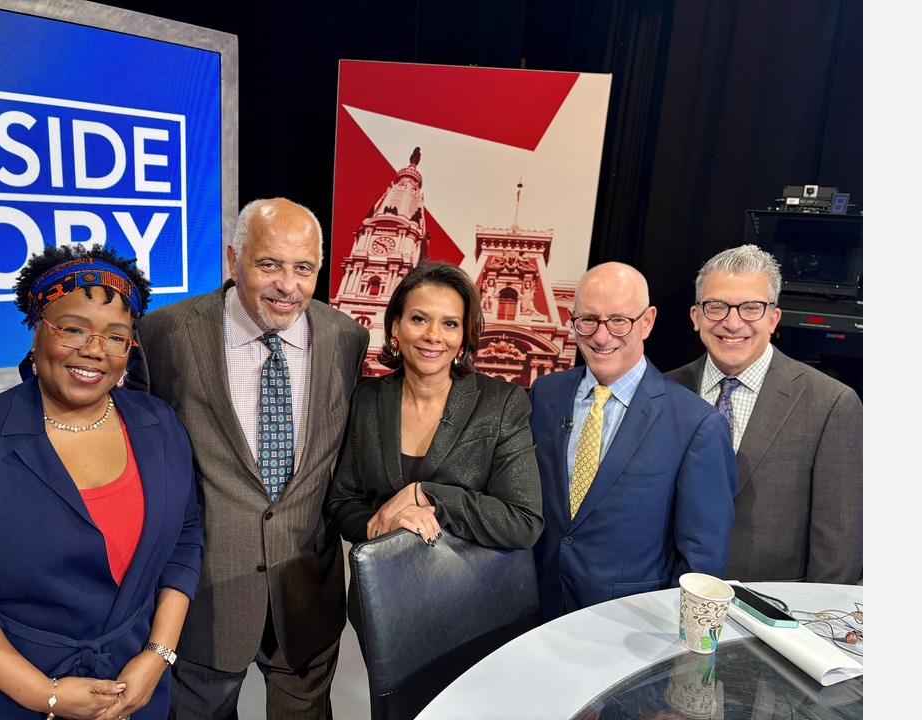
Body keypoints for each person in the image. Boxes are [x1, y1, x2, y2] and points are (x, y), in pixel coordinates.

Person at [0, 244, 203, 720]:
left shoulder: (158, 424)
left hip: (134, 692)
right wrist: (45, 694)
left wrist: (157, 656)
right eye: (73, 329)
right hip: (8, 698)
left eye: (116, 336)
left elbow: (185, 541)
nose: (94, 350)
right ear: (37, 330)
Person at [126, 198, 370, 719]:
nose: (288, 284)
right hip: (202, 597)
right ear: (232, 259)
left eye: (303, 268)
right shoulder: (165, 334)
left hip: (307, 592)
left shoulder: (347, 338)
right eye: (269, 265)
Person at [528, 262, 737, 622]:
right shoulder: (544, 395)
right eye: (588, 320)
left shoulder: (697, 424)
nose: (601, 336)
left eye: (618, 321)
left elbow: (701, 565)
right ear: (572, 319)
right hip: (533, 617)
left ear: (647, 321)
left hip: (632, 630)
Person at [665, 244, 862, 584]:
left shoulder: (831, 404)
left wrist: (814, 628)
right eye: (716, 306)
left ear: (773, 319)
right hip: (666, 603)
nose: (732, 322)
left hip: (775, 615)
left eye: (751, 308)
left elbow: (838, 547)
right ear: (696, 316)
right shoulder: (664, 392)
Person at [327, 260, 544, 550]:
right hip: (379, 588)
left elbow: (523, 522)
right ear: (395, 325)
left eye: (450, 323)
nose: (433, 335)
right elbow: (343, 502)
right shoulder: (367, 398)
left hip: (465, 590)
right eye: (419, 319)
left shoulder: (502, 403)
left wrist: (427, 495)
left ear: (463, 336)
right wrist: (388, 524)